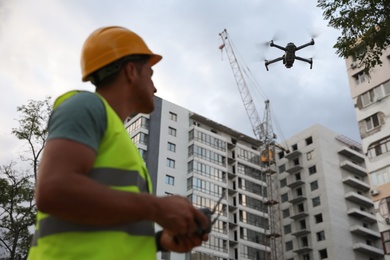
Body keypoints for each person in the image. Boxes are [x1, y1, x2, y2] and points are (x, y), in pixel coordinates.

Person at [28, 26, 209, 259]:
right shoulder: (85, 106)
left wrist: (160, 241)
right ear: (131, 71)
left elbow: (105, 222)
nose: (155, 87)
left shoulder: (121, 141)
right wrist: (157, 208)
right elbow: (53, 190)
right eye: (151, 75)